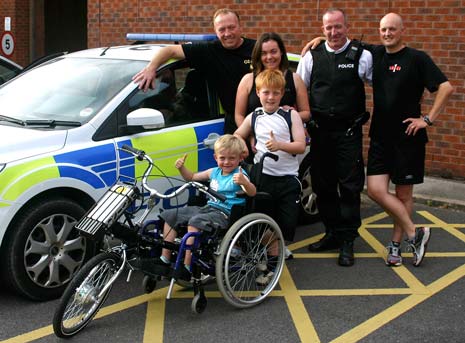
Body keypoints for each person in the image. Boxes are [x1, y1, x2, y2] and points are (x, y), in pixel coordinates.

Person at [366, 13, 454, 267]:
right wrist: (317, 39)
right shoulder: (376, 54)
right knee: (375, 190)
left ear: (402, 30)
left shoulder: (417, 58)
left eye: (392, 29)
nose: (387, 33)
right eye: (383, 29)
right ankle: (416, 233)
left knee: (403, 193)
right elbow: (343, 43)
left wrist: (427, 119)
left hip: (408, 138)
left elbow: (446, 88)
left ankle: (396, 245)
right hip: (380, 136)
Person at [296, 8, 373, 266]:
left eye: (338, 26)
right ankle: (332, 233)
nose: (333, 32)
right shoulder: (311, 56)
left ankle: (348, 240)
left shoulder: (361, 55)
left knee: (350, 188)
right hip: (320, 133)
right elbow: (300, 90)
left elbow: (384, 83)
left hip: (348, 133)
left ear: (346, 26)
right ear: (322, 29)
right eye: (328, 27)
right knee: (322, 186)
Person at [149, 134, 256, 281]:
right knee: (171, 215)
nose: (226, 162)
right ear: (215, 157)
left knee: (195, 221)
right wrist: (182, 168)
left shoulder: (240, 174)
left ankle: (187, 265)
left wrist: (245, 183)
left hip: (225, 214)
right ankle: (165, 258)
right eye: (222, 158)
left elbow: (252, 192)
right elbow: (191, 177)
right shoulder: (214, 172)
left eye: (232, 158)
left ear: (240, 159)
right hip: (209, 208)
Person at [132, 8, 255, 134]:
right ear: (216, 32)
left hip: (262, 119)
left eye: (231, 27)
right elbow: (170, 51)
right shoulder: (210, 50)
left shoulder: (257, 49)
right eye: (222, 29)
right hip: (235, 124)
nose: (227, 33)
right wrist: (151, 68)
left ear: (240, 27)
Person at [235, 69, 306, 284]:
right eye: (266, 92)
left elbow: (301, 146)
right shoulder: (254, 116)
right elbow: (238, 134)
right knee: (264, 224)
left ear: (283, 93)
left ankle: (271, 259)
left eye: (276, 93)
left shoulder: (289, 114)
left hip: (287, 180)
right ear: (258, 93)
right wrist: (244, 145)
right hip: (262, 179)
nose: (271, 97)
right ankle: (269, 268)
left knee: (283, 227)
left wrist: (279, 145)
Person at [235, 32, 310, 128]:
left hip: (287, 139)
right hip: (256, 141)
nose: (269, 57)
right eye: (264, 53)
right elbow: (239, 115)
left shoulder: (295, 79)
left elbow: (306, 114)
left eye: (273, 51)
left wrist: (287, 116)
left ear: (281, 52)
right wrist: (250, 135)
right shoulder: (248, 80)